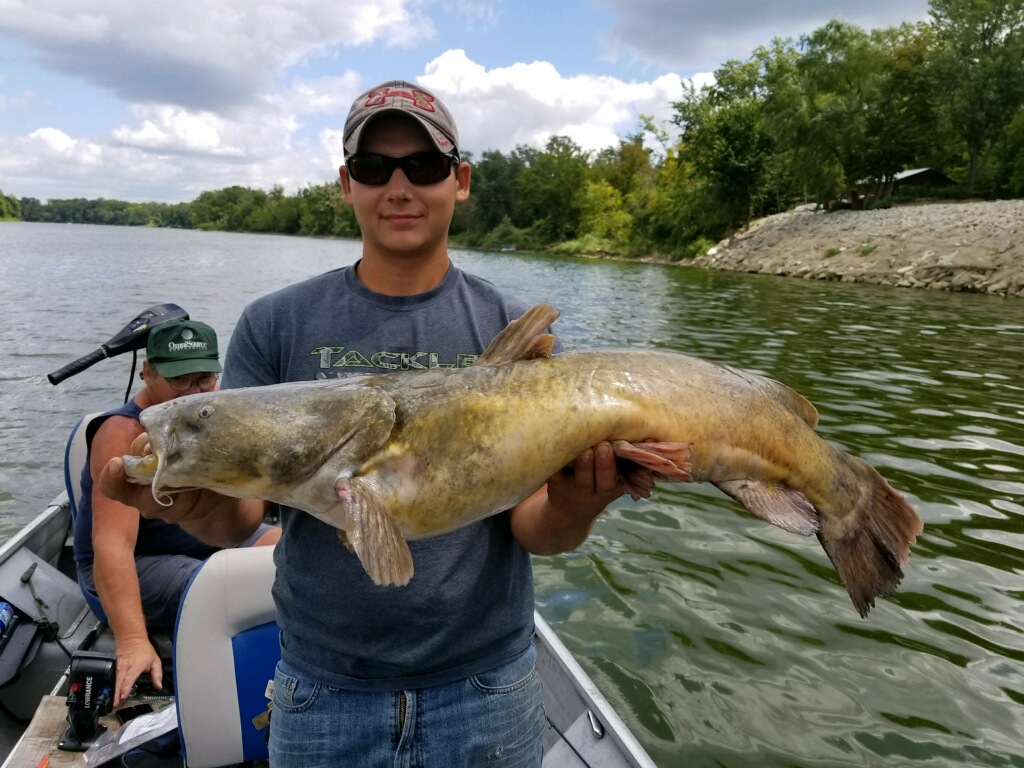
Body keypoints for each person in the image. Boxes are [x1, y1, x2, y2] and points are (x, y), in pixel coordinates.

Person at [100, 80, 626, 767]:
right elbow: (242, 517)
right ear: (347, 185)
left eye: (424, 166)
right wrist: (199, 509)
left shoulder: (511, 328)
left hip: (487, 688)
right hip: (323, 694)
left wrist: (579, 501)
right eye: (376, 169)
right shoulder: (274, 323)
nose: (399, 187)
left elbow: (535, 527)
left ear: (459, 181)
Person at [74, 318, 279, 705]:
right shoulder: (121, 432)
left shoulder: (209, 419)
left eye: (203, 379)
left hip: (200, 545)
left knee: (293, 553)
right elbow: (112, 545)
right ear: (147, 371)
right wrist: (133, 641)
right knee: (240, 582)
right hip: (138, 563)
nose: (191, 390)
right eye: (178, 379)